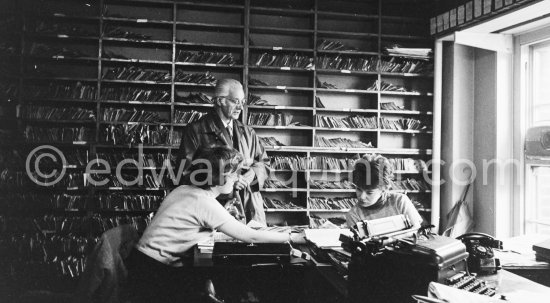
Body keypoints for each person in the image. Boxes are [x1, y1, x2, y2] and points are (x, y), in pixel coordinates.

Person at [128, 146, 303, 303]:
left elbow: (192, 222)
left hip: (141, 266)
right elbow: (250, 235)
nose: (238, 179)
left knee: (211, 277)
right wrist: (292, 236)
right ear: (218, 176)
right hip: (155, 275)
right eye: (234, 174)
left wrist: (223, 213)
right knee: (232, 282)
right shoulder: (204, 202)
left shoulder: (184, 190)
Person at [177, 78, 269, 225]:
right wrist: (228, 182)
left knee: (254, 245)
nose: (240, 107)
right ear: (220, 101)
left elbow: (264, 163)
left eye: (242, 102)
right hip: (216, 208)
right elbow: (185, 174)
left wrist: (252, 174)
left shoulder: (248, 132)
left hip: (249, 206)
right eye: (235, 101)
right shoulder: (196, 130)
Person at [346, 154, 423, 228]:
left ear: (384, 189)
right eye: (359, 189)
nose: (362, 197)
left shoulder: (400, 201)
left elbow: (416, 229)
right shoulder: (354, 215)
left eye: (369, 192)